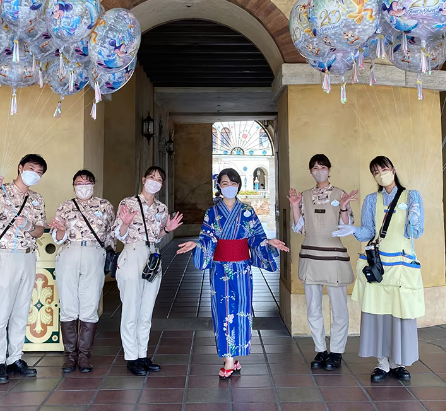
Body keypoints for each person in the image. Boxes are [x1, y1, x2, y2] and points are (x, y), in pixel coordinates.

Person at [177, 168, 289, 379]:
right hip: (220, 268)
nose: (230, 187)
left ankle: (235, 355)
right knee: (222, 311)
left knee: (242, 309)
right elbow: (207, 238)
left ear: (238, 185)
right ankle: (228, 357)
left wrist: (268, 242)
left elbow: (256, 237)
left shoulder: (247, 211)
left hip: (242, 268)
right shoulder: (212, 213)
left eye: (234, 183)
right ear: (219, 185)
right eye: (225, 183)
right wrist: (197, 243)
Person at [335, 156, 424, 383]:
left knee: (400, 315)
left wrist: (414, 218)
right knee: (379, 316)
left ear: (393, 169)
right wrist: (351, 228)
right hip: (379, 267)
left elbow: (417, 231)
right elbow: (368, 232)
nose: (380, 174)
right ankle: (382, 363)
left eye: (383, 168)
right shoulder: (371, 200)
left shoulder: (411, 196)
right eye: (375, 171)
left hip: (402, 266)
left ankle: (399, 363)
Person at [288, 154, 358, 371]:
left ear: (329, 169)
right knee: (313, 308)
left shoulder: (340, 194)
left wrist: (344, 207)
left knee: (339, 308)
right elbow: (300, 228)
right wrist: (294, 206)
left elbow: (347, 228)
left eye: (322, 167)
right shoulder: (305, 195)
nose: (319, 171)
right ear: (310, 171)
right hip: (311, 256)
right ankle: (320, 349)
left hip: (334, 257)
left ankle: (336, 351)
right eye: (315, 168)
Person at [112, 166, 183, 376]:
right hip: (132, 254)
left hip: (152, 256)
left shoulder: (161, 208)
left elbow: (158, 235)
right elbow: (119, 234)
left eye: (159, 179)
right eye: (151, 177)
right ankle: (131, 357)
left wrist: (167, 229)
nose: (154, 181)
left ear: (161, 184)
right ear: (143, 180)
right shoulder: (128, 203)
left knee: (146, 310)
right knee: (131, 308)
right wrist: (124, 224)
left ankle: (143, 354)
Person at [0, 154, 47, 384]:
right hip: (5, 256)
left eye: (39, 172)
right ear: (20, 168)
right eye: (31, 168)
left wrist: (30, 227)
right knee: (1, 312)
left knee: (21, 311)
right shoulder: (1, 191)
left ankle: (15, 358)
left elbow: (40, 229)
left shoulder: (37, 199)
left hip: (28, 257)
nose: (34, 174)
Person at [47, 170, 115, 374]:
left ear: (94, 184)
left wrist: (109, 255)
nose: (83, 185)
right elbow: (57, 237)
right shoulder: (65, 207)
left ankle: (84, 355)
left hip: (94, 252)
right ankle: (70, 356)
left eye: (87, 182)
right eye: (79, 182)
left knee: (90, 303)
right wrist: (59, 229)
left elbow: (112, 233)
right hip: (69, 252)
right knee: (68, 304)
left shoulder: (105, 205)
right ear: (73, 185)